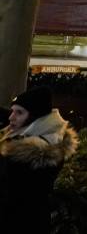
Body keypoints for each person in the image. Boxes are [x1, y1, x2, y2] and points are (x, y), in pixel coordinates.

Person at [0, 86, 79, 231]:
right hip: (34, 220)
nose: (11, 117)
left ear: (36, 118)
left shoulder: (30, 152)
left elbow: (9, 194)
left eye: (19, 113)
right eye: (12, 111)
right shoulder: (48, 135)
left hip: (19, 224)